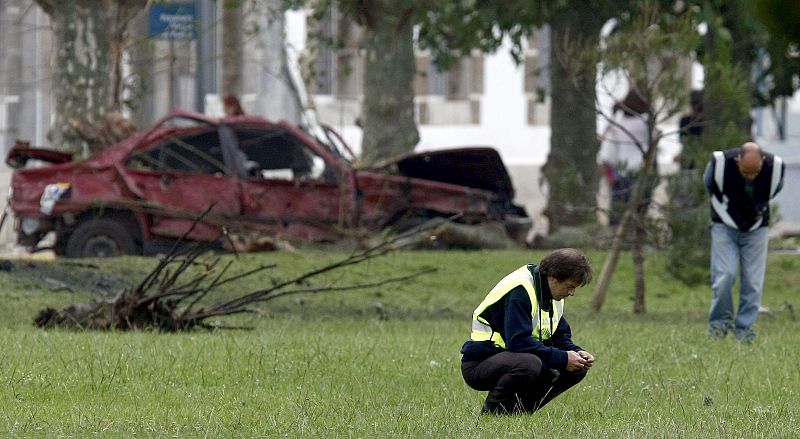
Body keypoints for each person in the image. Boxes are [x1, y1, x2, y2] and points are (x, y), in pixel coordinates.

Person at [460, 248, 594, 415]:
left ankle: (521, 413)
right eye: (570, 286)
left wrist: (577, 352)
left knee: (577, 367)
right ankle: (492, 412)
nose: (572, 293)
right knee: (530, 364)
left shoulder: (553, 295)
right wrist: (563, 357)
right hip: (480, 363)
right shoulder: (520, 290)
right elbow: (518, 343)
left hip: (515, 358)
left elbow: (559, 337)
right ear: (552, 278)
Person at [704, 142, 785, 342]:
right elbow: (709, 186)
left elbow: (773, 191)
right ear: (737, 160)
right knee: (725, 276)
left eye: (755, 172)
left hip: (756, 228)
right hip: (724, 224)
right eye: (746, 172)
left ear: (762, 162)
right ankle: (718, 326)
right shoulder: (719, 164)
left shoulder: (775, 167)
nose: (751, 177)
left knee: (753, 283)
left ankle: (744, 332)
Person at [596, 89, 654, 224]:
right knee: (640, 215)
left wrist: (609, 174)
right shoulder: (646, 124)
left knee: (618, 214)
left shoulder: (617, 122)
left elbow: (608, 153)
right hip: (641, 170)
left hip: (621, 173)